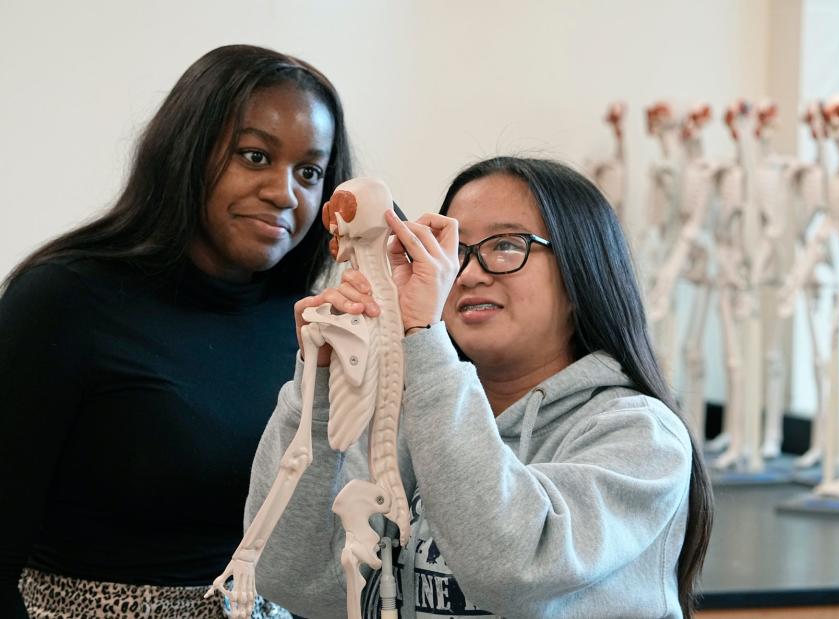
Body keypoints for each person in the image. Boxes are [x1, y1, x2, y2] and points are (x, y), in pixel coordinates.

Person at [244, 156, 713, 618]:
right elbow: (292, 580)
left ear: (582, 272)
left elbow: (514, 569)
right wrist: (320, 382)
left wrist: (425, 343)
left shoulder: (641, 435)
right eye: (455, 249)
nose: (466, 273)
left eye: (507, 245)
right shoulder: (413, 419)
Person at [0, 44, 352, 618]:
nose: (286, 193)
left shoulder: (310, 323)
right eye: (256, 156)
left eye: (309, 171)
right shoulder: (64, 299)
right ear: (186, 151)